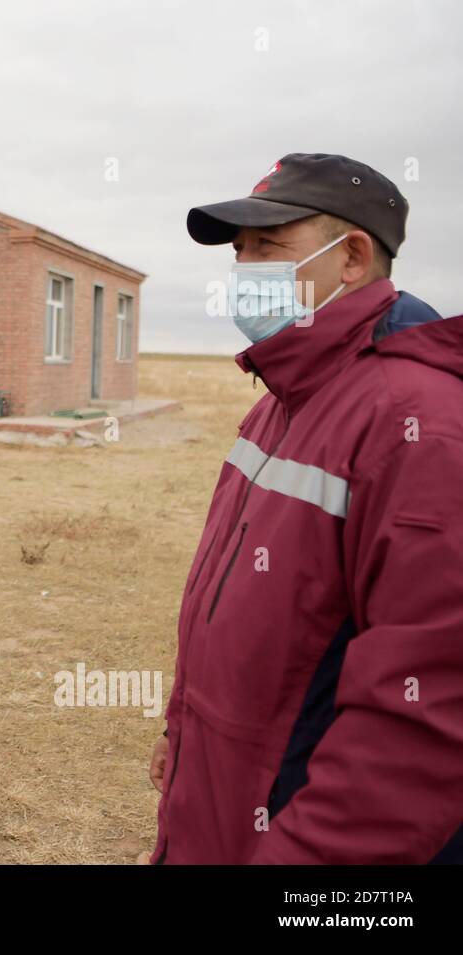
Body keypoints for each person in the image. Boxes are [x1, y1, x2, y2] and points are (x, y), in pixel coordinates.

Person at [150, 153, 463, 864]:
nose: (245, 269)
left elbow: (421, 725)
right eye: (240, 252)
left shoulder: (421, 422)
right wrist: (185, 741)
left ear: (351, 256)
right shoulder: (282, 400)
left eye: (269, 245)